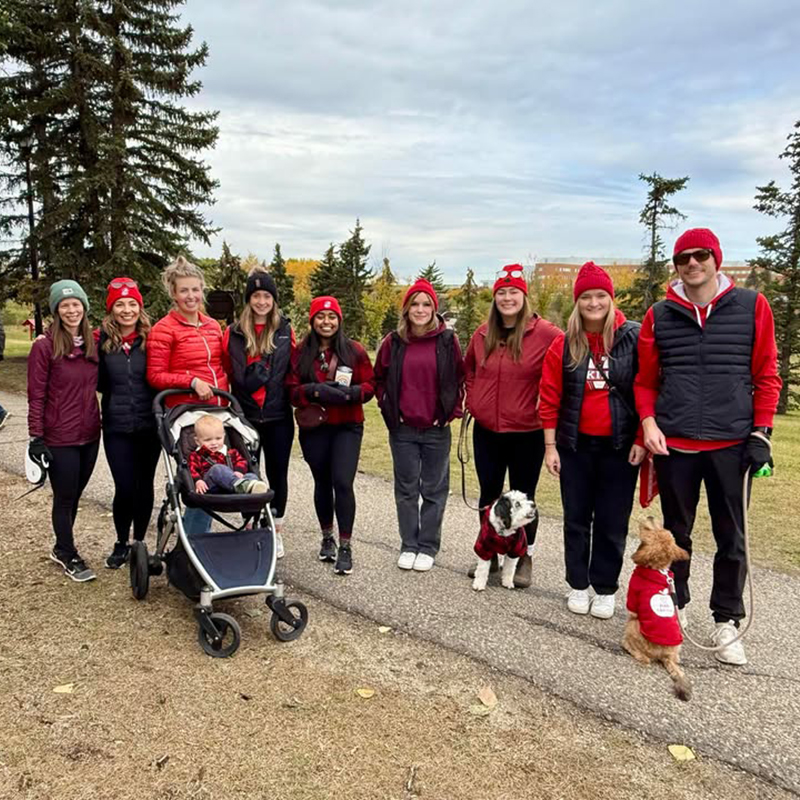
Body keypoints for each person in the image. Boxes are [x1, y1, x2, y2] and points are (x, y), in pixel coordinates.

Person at [635, 228, 781, 665]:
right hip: (676, 443)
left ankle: (727, 619)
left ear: (716, 259)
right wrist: (648, 423)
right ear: (676, 266)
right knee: (675, 533)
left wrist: (761, 432)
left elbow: (767, 375)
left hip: (732, 443)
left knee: (731, 536)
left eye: (701, 255)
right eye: (683, 258)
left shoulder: (752, 306)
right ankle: (673, 605)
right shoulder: (659, 314)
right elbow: (645, 381)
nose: (692, 264)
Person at [540, 262, 645, 619]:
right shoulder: (563, 344)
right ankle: (578, 583)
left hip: (619, 446)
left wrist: (641, 438)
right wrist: (551, 446)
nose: (594, 302)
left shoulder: (632, 337)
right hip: (576, 445)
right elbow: (550, 396)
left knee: (613, 520)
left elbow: (647, 389)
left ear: (610, 299)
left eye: (600, 295)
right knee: (577, 518)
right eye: (586, 296)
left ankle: (605, 587)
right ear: (577, 302)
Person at [464, 264, 561, 587]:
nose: (507, 298)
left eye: (513, 292)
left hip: (527, 432)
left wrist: (544, 401)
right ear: (495, 298)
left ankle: (523, 556)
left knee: (525, 496)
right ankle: (488, 554)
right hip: (487, 430)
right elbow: (470, 370)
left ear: (524, 296)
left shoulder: (546, 334)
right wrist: (474, 396)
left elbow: (564, 365)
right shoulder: (481, 335)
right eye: (501, 293)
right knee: (489, 493)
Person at [374, 278, 465, 572]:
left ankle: (427, 546)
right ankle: (409, 544)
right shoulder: (394, 341)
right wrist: (389, 406)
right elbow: (379, 379)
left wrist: (450, 411)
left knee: (435, 489)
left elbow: (459, 378)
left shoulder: (447, 341)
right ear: (406, 308)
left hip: (436, 429)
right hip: (403, 429)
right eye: (415, 303)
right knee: (406, 489)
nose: (421, 309)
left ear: (434, 309)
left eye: (426, 304)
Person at [287, 296, 375, 576]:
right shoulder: (300, 352)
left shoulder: (354, 351)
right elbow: (290, 391)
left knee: (342, 482)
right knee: (322, 481)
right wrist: (314, 390)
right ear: (312, 321)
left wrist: (352, 393)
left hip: (347, 424)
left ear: (339, 320)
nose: (327, 322)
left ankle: (346, 545)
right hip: (315, 427)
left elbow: (371, 385)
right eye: (321, 317)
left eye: (332, 317)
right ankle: (327, 537)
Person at [147, 256, 229, 534]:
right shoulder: (163, 330)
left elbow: (220, 365)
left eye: (195, 289)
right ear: (173, 293)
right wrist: (191, 381)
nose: (191, 296)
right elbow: (155, 375)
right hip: (186, 415)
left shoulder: (212, 326)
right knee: (200, 476)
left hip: (218, 412)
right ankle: (195, 543)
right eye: (184, 290)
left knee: (228, 468)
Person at [27, 280, 100, 581]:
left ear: (84, 307)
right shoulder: (44, 347)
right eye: (65, 305)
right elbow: (36, 394)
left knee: (76, 493)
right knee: (65, 497)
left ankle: (63, 545)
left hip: (90, 433)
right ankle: (67, 552)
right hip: (60, 437)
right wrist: (36, 437)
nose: (71, 310)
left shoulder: (92, 343)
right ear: (57, 310)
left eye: (76, 304)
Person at [222, 270, 295, 557]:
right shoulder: (234, 332)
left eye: (266, 296)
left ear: (273, 299)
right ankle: (251, 525)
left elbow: (292, 369)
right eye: (256, 296)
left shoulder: (285, 330)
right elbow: (227, 370)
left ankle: (275, 529)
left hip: (278, 416)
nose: (261, 301)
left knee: (278, 474)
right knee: (246, 472)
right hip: (245, 416)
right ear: (248, 299)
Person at [98, 277, 161, 569]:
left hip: (149, 426)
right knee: (124, 486)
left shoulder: (152, 339)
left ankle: (139, 543)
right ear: (111, 310)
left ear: (140, 307)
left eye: (132, 304)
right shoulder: (100, 342)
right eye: (120, 304)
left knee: (144, 485)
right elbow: (93, 379)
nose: (126, 310)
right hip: (116, 426)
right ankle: (122, 541)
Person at [188, 414, 268, 495]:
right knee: (217, 468)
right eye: (208, 440)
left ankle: (252, 488)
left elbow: (242, 461)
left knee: (251, 475)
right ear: (197, 441)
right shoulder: (196, 455)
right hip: (211, 486)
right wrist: (198, 480)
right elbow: (192, 470)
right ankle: (242, 486)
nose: (214, 443)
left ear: (224, 436)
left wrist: (238, 471)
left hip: (232, 483)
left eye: (218, 438)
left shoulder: (231, 452)